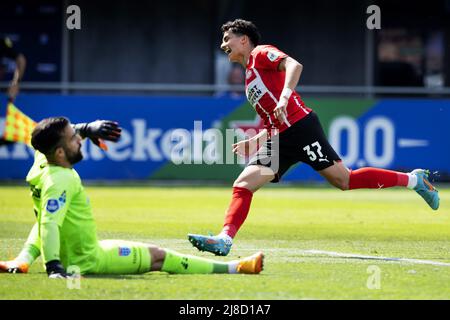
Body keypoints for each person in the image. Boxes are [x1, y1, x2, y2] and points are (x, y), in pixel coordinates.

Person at [188, 19, 440, 257]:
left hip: (301, 128)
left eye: (226, 39)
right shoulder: (249, 76)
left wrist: (286, 96)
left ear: (244, 40)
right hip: (280, 138)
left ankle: (414, 180)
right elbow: (273, 116)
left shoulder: (261, 53)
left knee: (344, 180)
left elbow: (294, 65)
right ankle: (224, 239)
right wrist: (256, 140)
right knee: (244, 184)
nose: (223, 45)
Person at [0, 116, 263, 277]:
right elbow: (48, 226)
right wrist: (55, 268)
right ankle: (236, 267)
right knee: (159, 257)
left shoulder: (40, 164)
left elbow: (45, 217)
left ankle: (22, 260)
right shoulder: (62, 180)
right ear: (59, 153)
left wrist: (86, 128)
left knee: (48, 214)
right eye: (72, 138)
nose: (79, 140)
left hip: (79, 253)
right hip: (86, 260)